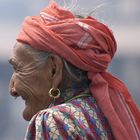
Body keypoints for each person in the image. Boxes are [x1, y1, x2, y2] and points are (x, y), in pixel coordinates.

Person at [9, 1, 140, 140]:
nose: (12, 89)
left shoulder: (56, 121)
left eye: (18, 69)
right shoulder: (108, 114)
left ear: (54, 69)